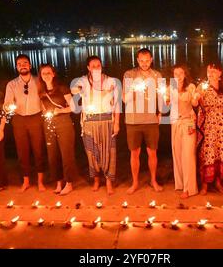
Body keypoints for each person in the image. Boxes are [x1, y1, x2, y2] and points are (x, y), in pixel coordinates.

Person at [72, 56, 120, 195]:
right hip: (89, 121)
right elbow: (74, 90)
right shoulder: (83, 80)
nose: (96, 68)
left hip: (107, 120)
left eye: (98, 65)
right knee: (91, 152)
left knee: (109, 152)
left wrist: (116, 123)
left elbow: (116, 104)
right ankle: (96, 180)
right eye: (93, 66)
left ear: (101, 66)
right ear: (88, 67)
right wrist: (79, 88)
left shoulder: (111, 81)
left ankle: (109, 181)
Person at [123, 48, 163, 194]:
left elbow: (161, 97)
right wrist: (134, 89)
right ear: (137, 60)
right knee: (134, 153)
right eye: (141, 60)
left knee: (152, 152)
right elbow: (124, 99)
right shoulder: (129, 74)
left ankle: (153, 180)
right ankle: (135, 183)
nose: (144, 63)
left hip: (151, 120)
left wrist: (161, 112)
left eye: (147, 60)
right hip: (133, 120)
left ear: (151, 59)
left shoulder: (157, 75)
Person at [4, 54, 46, 192]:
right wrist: (7, 107)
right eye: (19, 63)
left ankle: (40, 181)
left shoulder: (39, 81)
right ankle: (26, 180)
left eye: (25, 63)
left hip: (36, 118)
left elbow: (44, 100)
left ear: (30, 65)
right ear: (16, 67)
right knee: (22, 151)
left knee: (38, 150)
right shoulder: (12, 84)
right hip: (19, 119)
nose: (22, 65)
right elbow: (7, 102)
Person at [38, 64, 77, 195]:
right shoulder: (41, 91)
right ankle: (58, 182)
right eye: (44, 73)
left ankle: (69, 183)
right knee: (52, 154)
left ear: (53, 74)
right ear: (41, 76)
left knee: (66, 154)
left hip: (64, 123)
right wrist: (45, 113)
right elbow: (42, 107)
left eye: (49, 73)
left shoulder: (62, 88)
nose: (46, 75)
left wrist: (59, 110)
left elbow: (73, 107)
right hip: (48, 124)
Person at [196, 63, 223, 195]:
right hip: (208, 127)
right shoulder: (202, 87)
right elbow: (195, 104)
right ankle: (204, 185)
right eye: (208, 71)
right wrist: (196, 97)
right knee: (207, 155)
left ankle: (218, 182)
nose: (210, 73)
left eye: (213, 71)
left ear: (220, 73)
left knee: (220, 154)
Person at [168, 64, 199, 198]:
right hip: (175, 123)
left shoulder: (191, 87)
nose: (178, 76)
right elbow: (166, 105)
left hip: (188, 123)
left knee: (188, 156)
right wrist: (166, 100)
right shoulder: (170, 88)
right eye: (176, 74)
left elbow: (195, 104)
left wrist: (196, 98)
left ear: (185, 74)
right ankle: (180, 184)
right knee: (177, 154)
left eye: (181, 73)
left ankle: (189, 188)